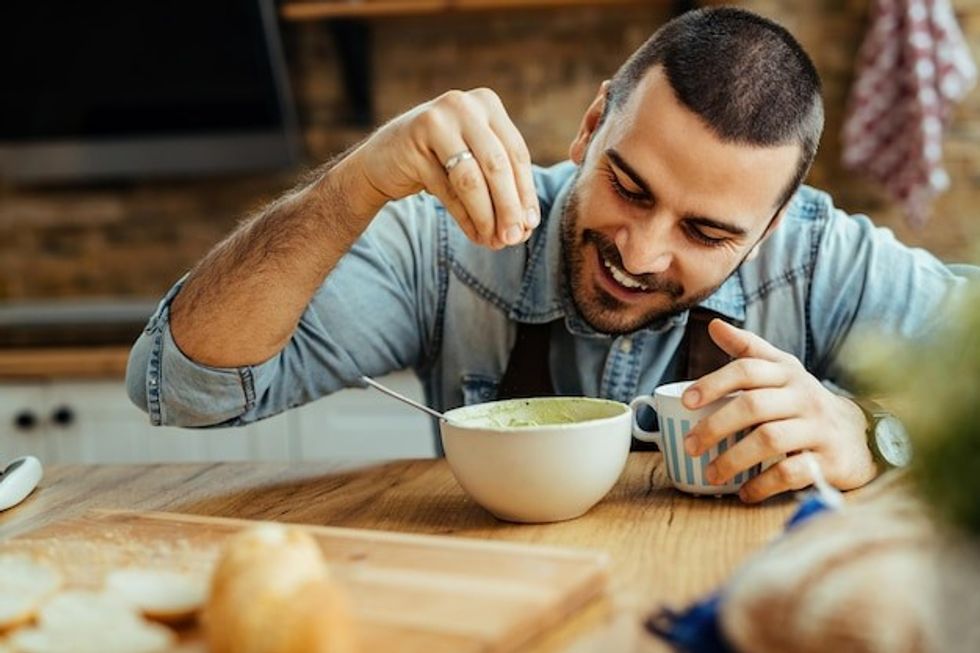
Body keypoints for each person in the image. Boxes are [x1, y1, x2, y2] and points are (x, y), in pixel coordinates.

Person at [126, 7, 973, 503]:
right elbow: (183, 389)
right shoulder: (440, 236)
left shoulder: (824, 258)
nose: (640, 253)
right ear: (591, 123)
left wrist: (874, 434)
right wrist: (352, 186)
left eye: (707, 233)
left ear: (774, 223)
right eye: (630, 187)